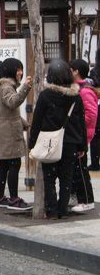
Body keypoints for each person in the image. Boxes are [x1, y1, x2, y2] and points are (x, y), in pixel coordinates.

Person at [28, 59, 86, 220]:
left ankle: (51, 210)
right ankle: (63, 210)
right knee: (66, 178)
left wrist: (32, 143)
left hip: (50, 143)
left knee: (49, 178)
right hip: (71, 143)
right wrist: (82, 146)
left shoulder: (46, 95)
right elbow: (81, 122)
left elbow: (37, 121)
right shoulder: (76, 97)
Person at [0, 57, 33, 210]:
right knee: (14, 164)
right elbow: (13, 102)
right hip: (8, 134)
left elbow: (8, 112)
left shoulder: (4, 86)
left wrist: (24, 123)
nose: (21, 72)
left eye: (21, 69)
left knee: (5, 165)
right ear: (11, 71)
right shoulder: (6, 87)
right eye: (18, 69)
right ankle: (13, 199)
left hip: (5, 131)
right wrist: (25, 87)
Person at [69, 59, 96, 212]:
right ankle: (77, 196)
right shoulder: (78, 89)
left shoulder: (85, 91)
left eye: (69, 69)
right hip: (78, 134)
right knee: (75, 168)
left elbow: (91, 116)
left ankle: (86, 199)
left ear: (76, 72)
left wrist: (75, 123)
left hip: (81, 136)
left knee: (80, 168)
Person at [87, 48, 100, 171]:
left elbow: (92, 85)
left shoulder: (94, 71)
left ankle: (95, 162)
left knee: (96, 136)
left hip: (96, 105)